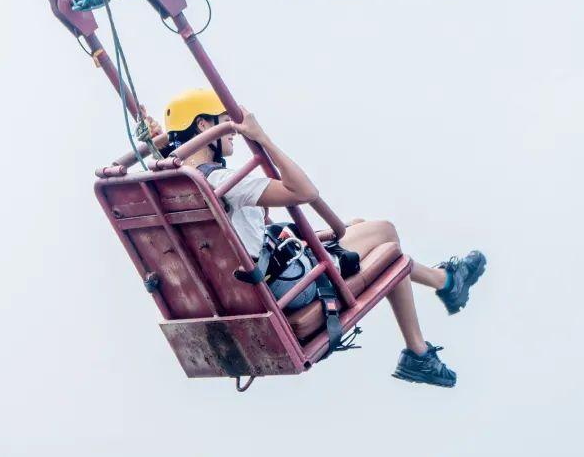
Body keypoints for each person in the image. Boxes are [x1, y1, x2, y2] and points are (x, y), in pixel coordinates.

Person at [155, 89, 486, 388]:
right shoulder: (226, 182)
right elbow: (304, 192)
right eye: (225, 123)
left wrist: (158, 142)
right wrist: (262, 138)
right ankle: (427, 329)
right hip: (287, 287)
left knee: (358, 226)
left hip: (245, 285)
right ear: (203, 126)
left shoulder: (172, 186)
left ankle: (441, 293)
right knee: (386, 239)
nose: (232, 133)